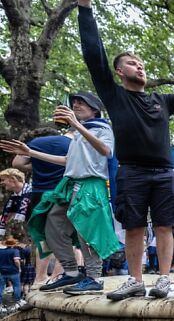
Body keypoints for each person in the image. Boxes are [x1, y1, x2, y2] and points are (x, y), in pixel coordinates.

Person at [78, 0, 174, 300]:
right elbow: (93, 56)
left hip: (164, 173)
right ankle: (135, 279)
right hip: (131, 172)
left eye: (142, 64)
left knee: (165, 226)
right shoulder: (114, 96)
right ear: (119, 71)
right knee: (134, 227)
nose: (140, 66)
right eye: (133, 63)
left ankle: (164, 279)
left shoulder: (161, 100)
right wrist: (85, 10)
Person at [2, 93, 121, 295]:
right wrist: (31, 153)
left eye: (81, 103)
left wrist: (77, 125)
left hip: (90, 186)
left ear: (94, 109)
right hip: (69, 185)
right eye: (74, 103)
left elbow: (106, 150)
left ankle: (94, 278)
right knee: (52, 225)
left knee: (87, 231)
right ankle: (72, 272)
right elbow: (67, 160)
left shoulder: (102, 128)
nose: (76, 105)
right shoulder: (77, 134)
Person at [10, 128, 70, 285]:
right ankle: (57, 276)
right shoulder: (69, 142)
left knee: (42, 237)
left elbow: (16, 163)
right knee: (63, 235)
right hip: (61, 192)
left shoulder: (35, 143)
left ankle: (40, 277)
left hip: (39, 194)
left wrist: (36, 165)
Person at [0, 168, 31, 241]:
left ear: (13, 179)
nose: (1, 182)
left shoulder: (32, 193)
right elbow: (8, 216)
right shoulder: (14, 197)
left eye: (3, 180)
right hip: (28, 233)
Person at [0, 237, 23, 312]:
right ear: (14, 244)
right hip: (13, 272)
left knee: (0, 288)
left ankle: (0, 305)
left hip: (3, 272)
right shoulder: (15, 250)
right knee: (16, 286)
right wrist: (19, 268)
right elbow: (16, 261)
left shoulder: (1, 251)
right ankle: (17, 302)